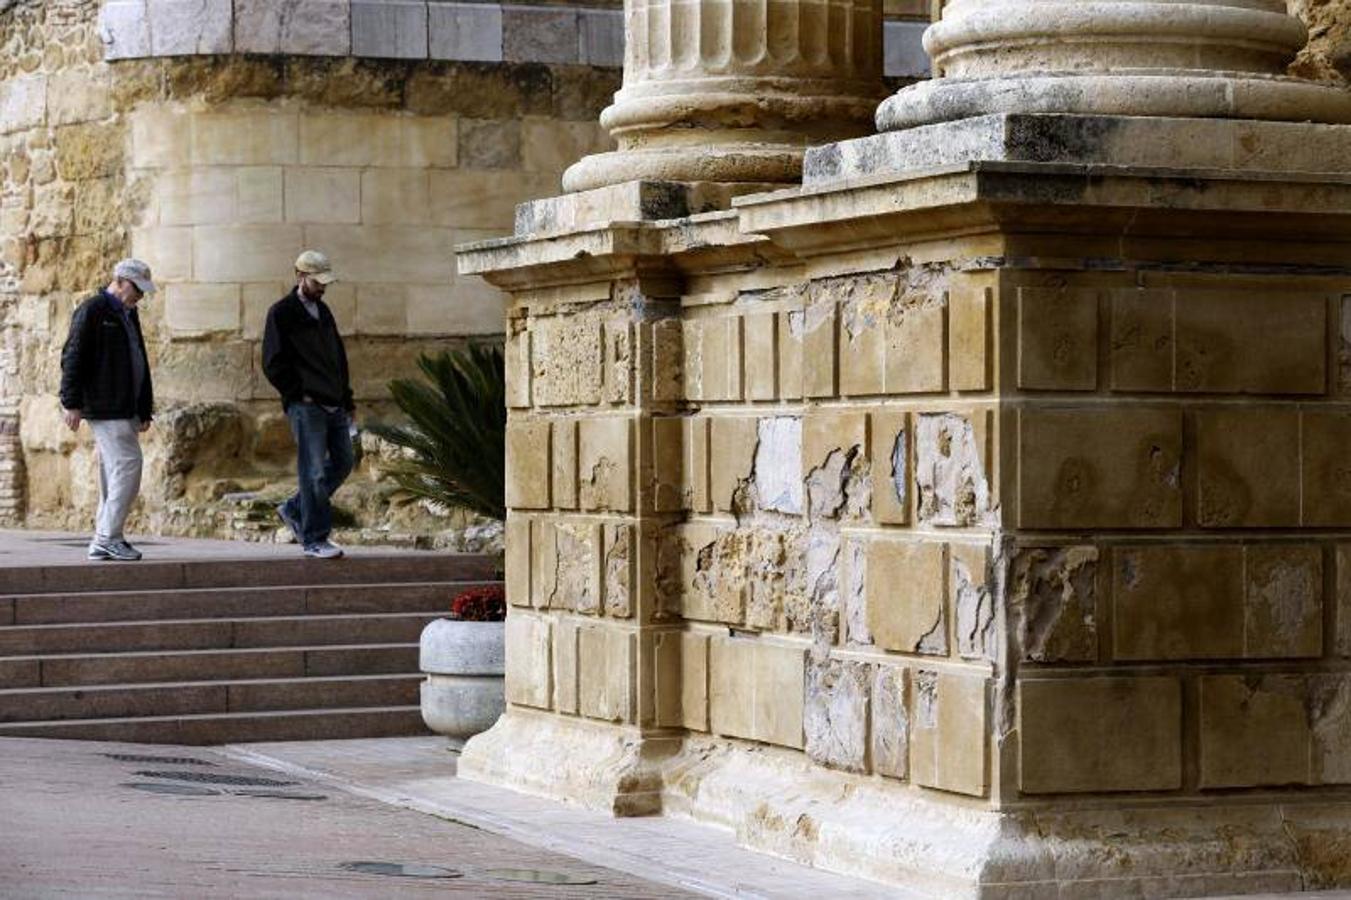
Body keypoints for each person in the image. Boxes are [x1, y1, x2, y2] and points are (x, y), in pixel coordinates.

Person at [60, 258, 157, 562]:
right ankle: (108, 537)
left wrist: (143, 408)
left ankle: (104, 537)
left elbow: (138, 359)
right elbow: (73, 356)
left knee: (112, 471)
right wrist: (70, 401)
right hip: (105, 403)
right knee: (129, 464)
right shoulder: (93, 310)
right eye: (137, 289)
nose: (140, 296)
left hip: (124, 405)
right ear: (120, 280)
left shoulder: (128, 314)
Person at [262, 250, 355, 560]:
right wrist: (297, 393)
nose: (322, 288)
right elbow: (272, 362)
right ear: (300, 276)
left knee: (343, 462)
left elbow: (337, 357)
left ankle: (294, 508)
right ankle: (315, 538)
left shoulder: (324, 311)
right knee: (312, 472)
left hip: (334, 403)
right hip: (307, 406)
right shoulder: (282, 313)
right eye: (318, 282)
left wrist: (347, 399)